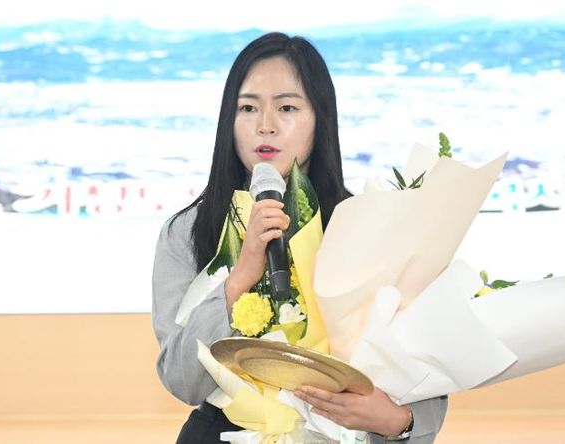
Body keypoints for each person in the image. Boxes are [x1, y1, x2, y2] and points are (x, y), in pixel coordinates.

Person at [152, 32, 448, 443]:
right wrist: (237, 281)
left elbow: (423, 367)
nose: (265, 125)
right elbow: (181, 379)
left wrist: (397, 420)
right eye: (247, 107)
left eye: (287, 107)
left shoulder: (367, 224)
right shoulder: (186, 232)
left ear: (320, 120)